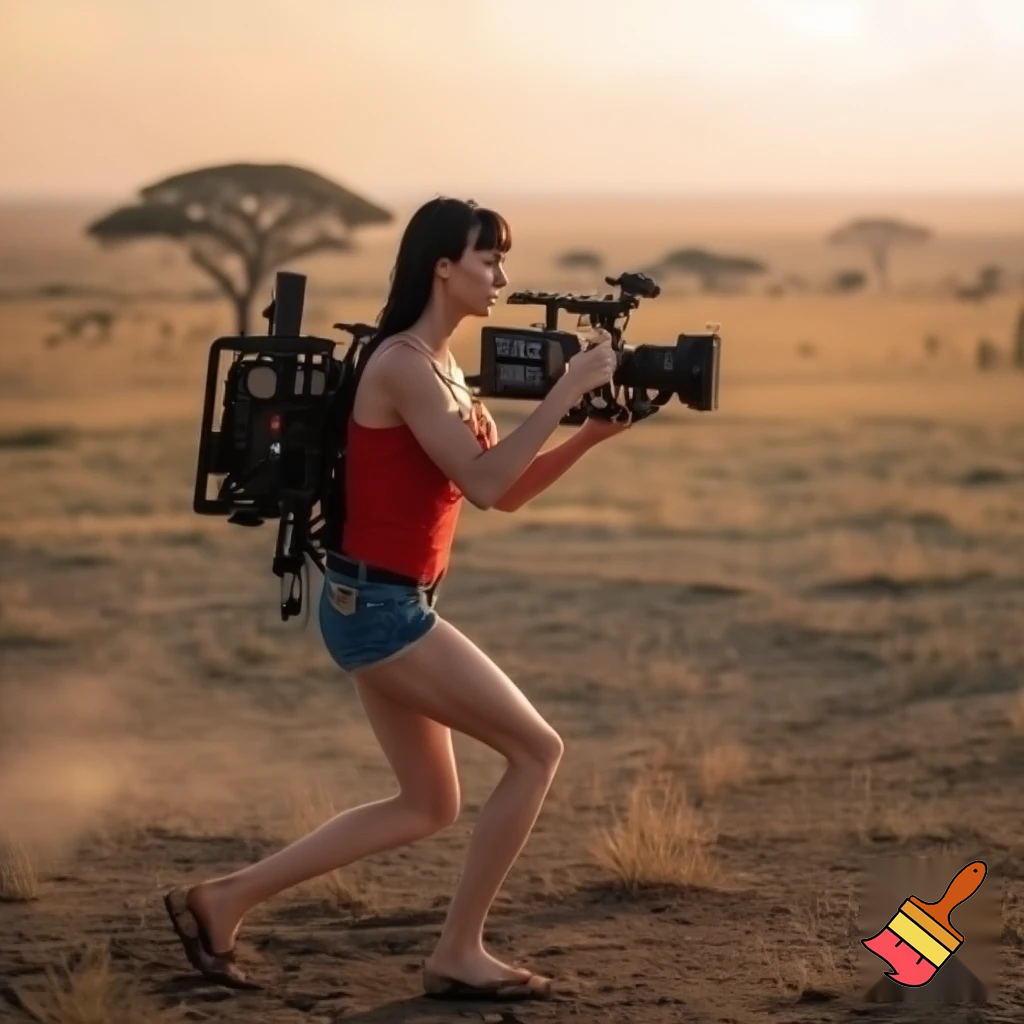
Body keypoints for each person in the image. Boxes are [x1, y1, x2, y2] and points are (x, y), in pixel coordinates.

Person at [164, 196, 630, 1001]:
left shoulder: (441, 366)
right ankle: (459, 951)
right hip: (383, 612)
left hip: (372, 603)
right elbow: (485, 486)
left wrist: (589, 436)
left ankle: (220, 901)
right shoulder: (403, 365)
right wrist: (566, 392)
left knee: (426, 803)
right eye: (489, 260)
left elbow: (505, 493)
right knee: (537, 752)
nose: (501, 277)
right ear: (443, 266)